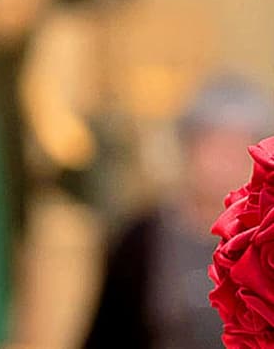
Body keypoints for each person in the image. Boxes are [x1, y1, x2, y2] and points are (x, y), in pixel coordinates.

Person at [82, 74, 274, 348]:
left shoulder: (267, 239)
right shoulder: (142, 239)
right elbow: (107, 334)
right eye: (214, 146)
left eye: (238, 150)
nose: (224, 164)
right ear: (188, 147)